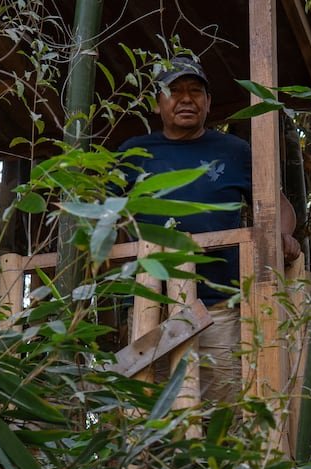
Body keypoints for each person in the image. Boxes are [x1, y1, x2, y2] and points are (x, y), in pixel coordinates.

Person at [119, 55, 301, 403]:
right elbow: (105, 217)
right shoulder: (133, 153)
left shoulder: (233, 151)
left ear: (208, 102)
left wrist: (281, 236)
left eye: (195, 91)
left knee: (224, 403)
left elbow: (277, 206)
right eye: (174, 91)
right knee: (153, 408)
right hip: (149, 305)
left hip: (219, 305)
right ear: (157, 103)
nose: (186, 99)